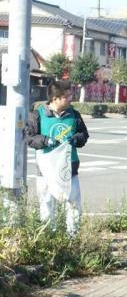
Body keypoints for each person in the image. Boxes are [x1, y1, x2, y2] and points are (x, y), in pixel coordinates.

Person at [25, 80, 89, 235]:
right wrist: (46, 141)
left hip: (69, 168)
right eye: (67, 96)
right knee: (47, 204)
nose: (70, 99)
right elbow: (29, 137)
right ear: (55, 98)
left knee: (73, 205)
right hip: (46, 169)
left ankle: (72, 237)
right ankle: (49, 237)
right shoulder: (38, 114)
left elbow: (84, 135)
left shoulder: (74, 115)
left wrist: (77, 139)